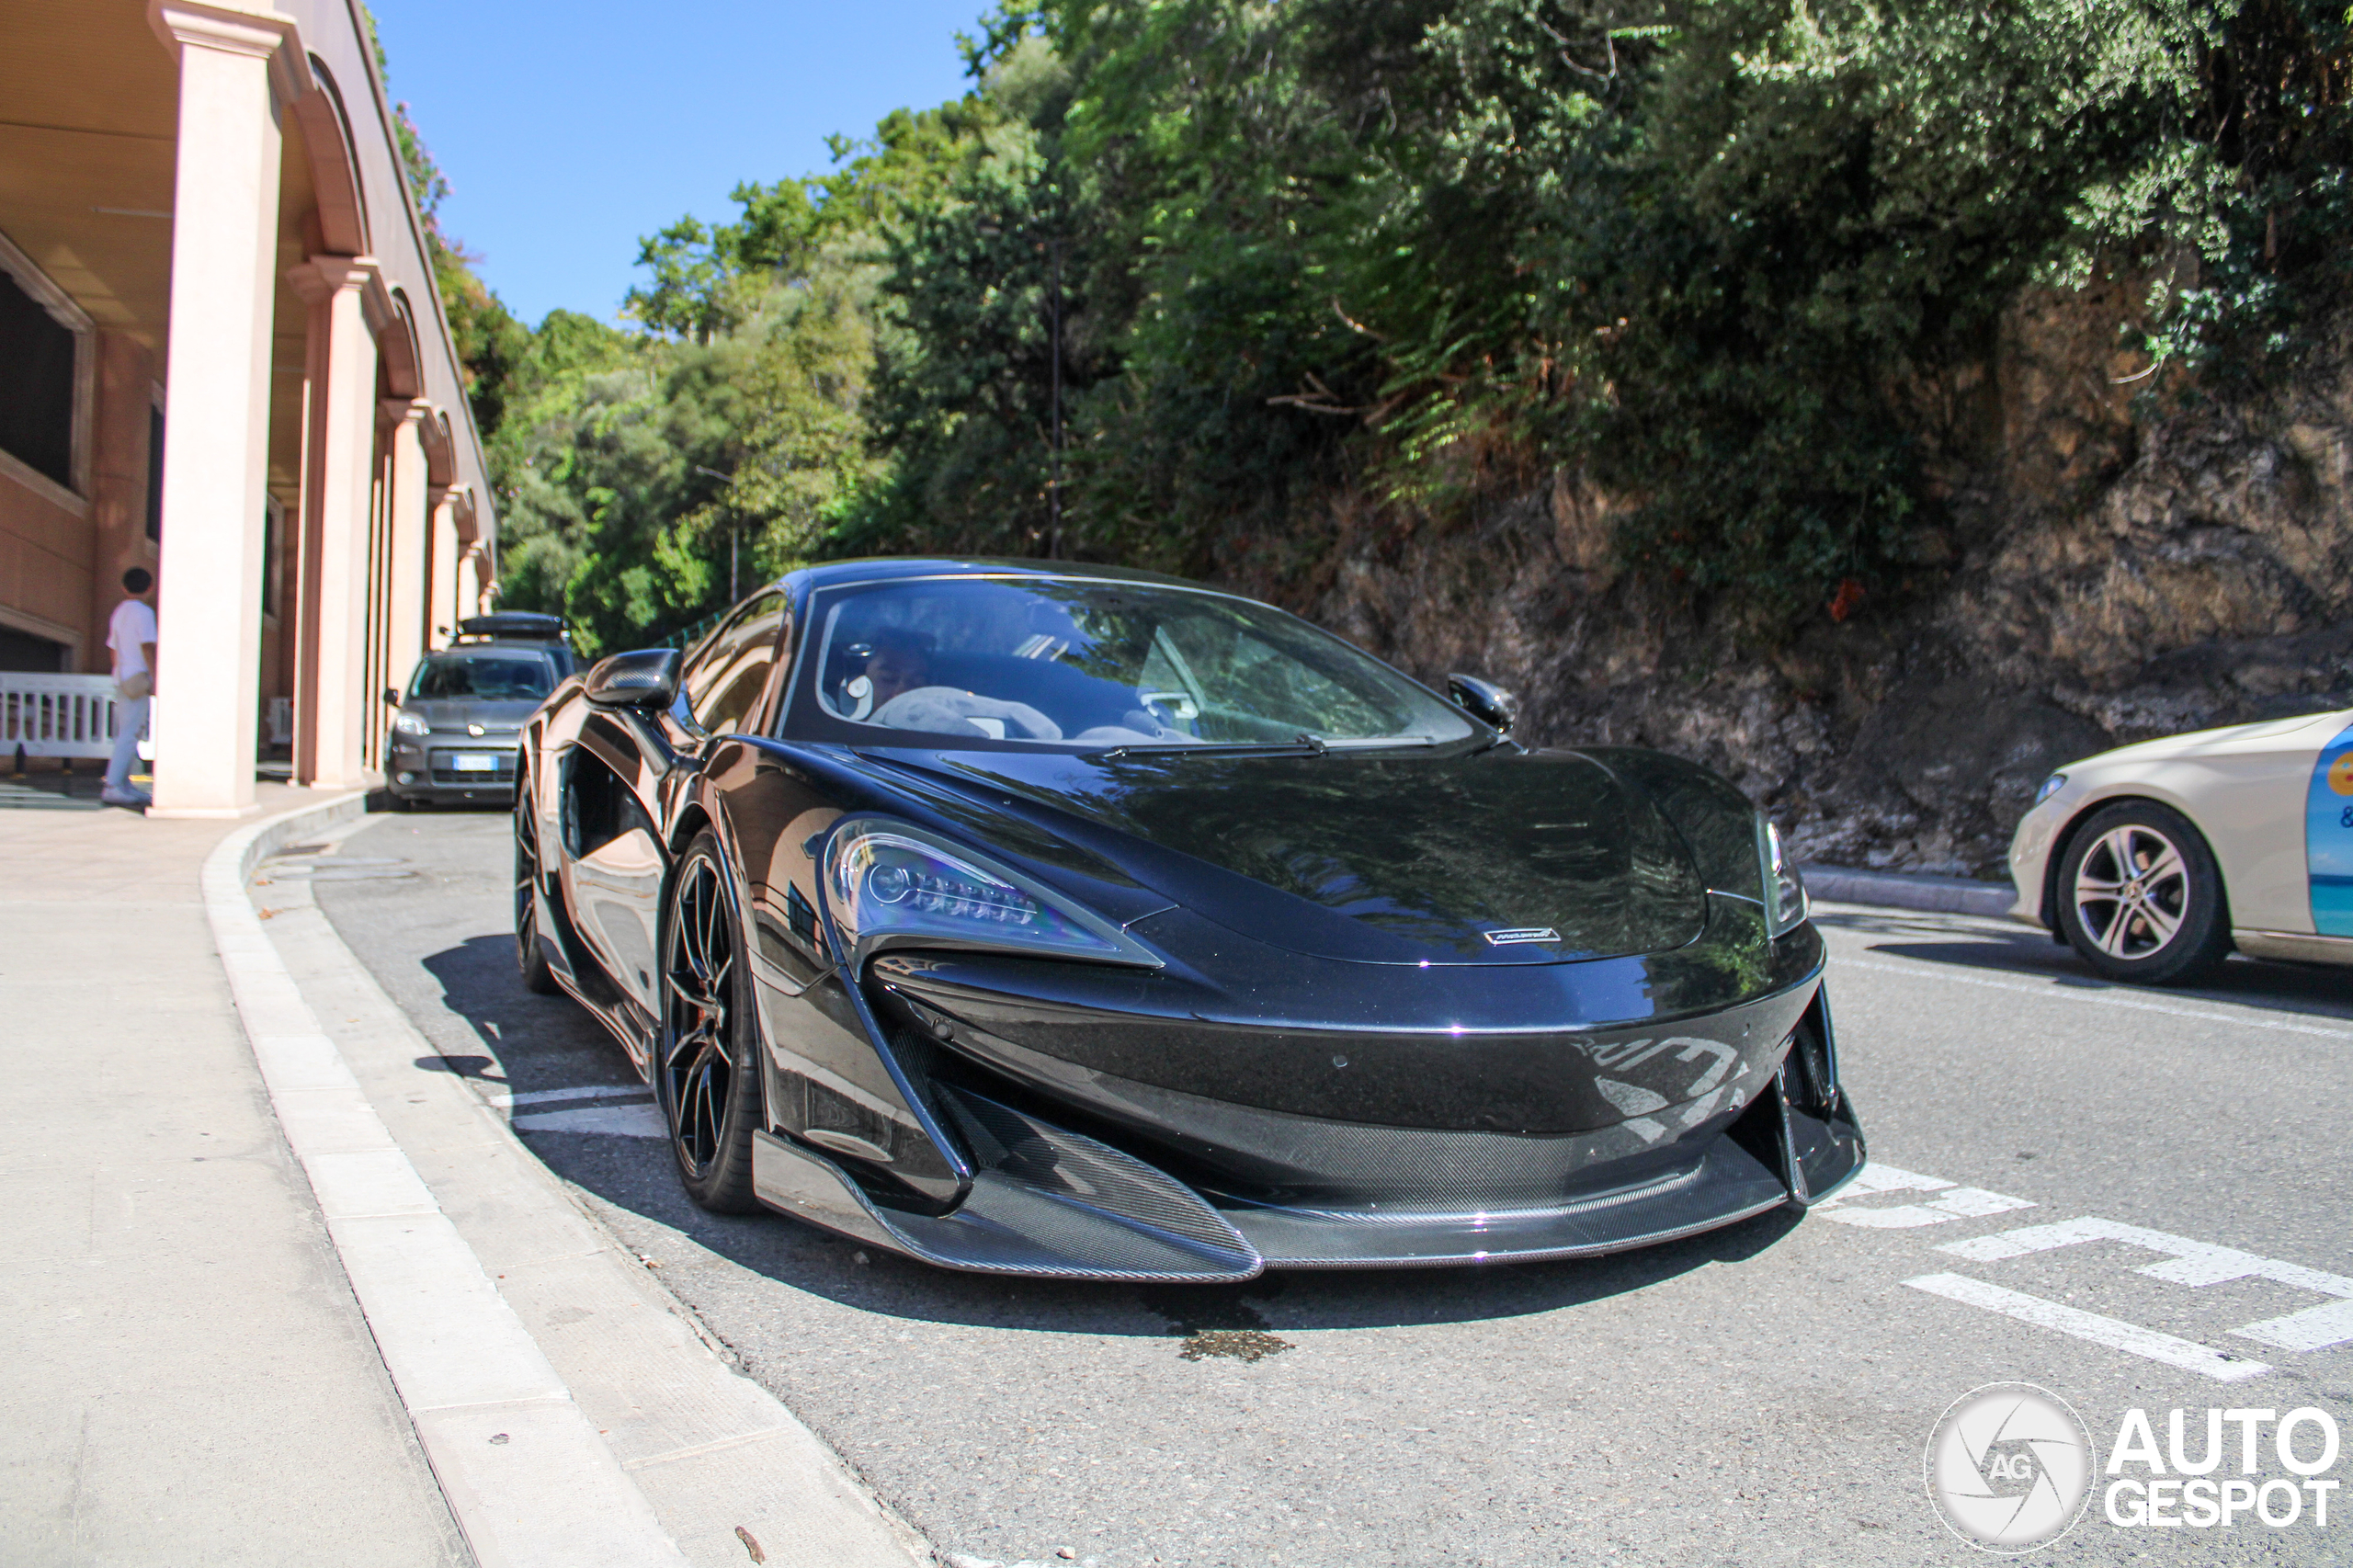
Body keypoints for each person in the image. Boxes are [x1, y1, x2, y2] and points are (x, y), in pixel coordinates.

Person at [103, 566, 156, 809]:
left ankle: (123, 785)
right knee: (130, 734)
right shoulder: (144, 613)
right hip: (138, 677)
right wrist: (155, 676)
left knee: (125, 732)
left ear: (124, 587)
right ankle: (113, 786)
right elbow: (147, 646)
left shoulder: (119, 612)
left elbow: (113, 647)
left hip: (121, 677)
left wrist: (118, 673)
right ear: (149, 588)